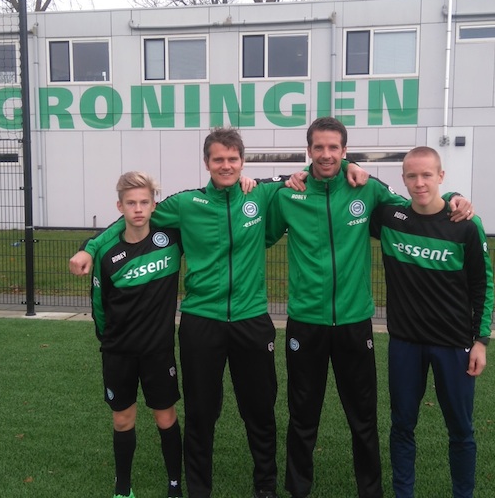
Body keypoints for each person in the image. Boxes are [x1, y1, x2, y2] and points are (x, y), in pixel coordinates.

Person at [69, 128, 367, 498]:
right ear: (207, 163)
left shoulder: (261, 193)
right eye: (218, 159)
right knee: (201, 414)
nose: (226, 165)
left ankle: (265, 487)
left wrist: (352, 165)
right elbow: (134, 220)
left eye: (232, 159)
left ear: (242, 162)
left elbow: (320, 167)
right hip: (201, 322)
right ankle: (199, 489)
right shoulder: (186, 203)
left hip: (251, 320)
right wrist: (90, 247)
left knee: (260, 413)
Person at [266, 117, 473, 498]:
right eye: (318, 147)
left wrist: (455, 197)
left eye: (334, 148)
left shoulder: (368, 188)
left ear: (345, 151)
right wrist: (269, 181)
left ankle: (370, 491)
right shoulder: (288, 195)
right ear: (308, 151)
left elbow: (417, 205)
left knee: (362, 418)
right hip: (305, 322)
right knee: (302, 416)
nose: (326, 154)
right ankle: (298, 489)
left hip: (354, 321)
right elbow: (261, 231)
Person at [370, 146, 493, 498]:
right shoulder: (391, 218)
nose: (420, 182)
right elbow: (359, 189)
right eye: (412, 176)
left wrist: (481, 341)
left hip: (454, 344)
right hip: (405, 344)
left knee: (460, 430)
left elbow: (483, 284)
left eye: (427, 175)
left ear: (441, 176)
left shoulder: (465, 224)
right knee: (402, 426)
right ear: (403, 179)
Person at [87, 171, 184, 498]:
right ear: (120, 207)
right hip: (119, 352)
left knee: (165, 417)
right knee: (123, 420)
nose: (138, 209)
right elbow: (99, 306)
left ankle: (174, 485)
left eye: (144, 202)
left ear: (154, 204)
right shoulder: (106, 254)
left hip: (158, 352)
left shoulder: (171, 239)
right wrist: (109, 341)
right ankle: (123, 487)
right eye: (131, 203)